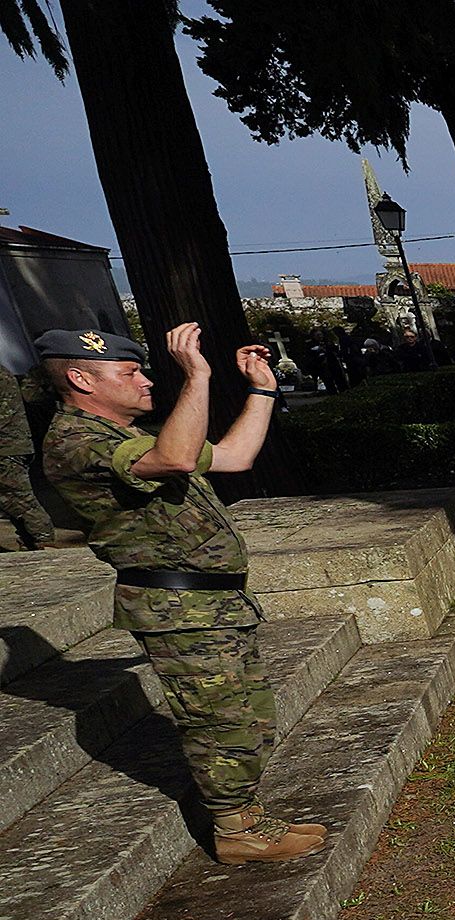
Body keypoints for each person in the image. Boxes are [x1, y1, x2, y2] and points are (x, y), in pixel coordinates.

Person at [35, 325, 327, 863]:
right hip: (178, 608)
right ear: (80, 377)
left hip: (214, 603)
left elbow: (236, 456)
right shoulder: (76, 442)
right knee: (218, 720)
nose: (146, 382)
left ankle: (248, 813)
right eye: (131, 373)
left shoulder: (127, 439)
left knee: (249, 715)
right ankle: (235, 832)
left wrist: (260, 389)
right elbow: (173, 459)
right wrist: (196, 374)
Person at [2, 364, 50, 550]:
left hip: (7, 447)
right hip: (10, 445)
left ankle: (44, 542)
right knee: (10, 498)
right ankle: (32, 540)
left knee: (18, 498)